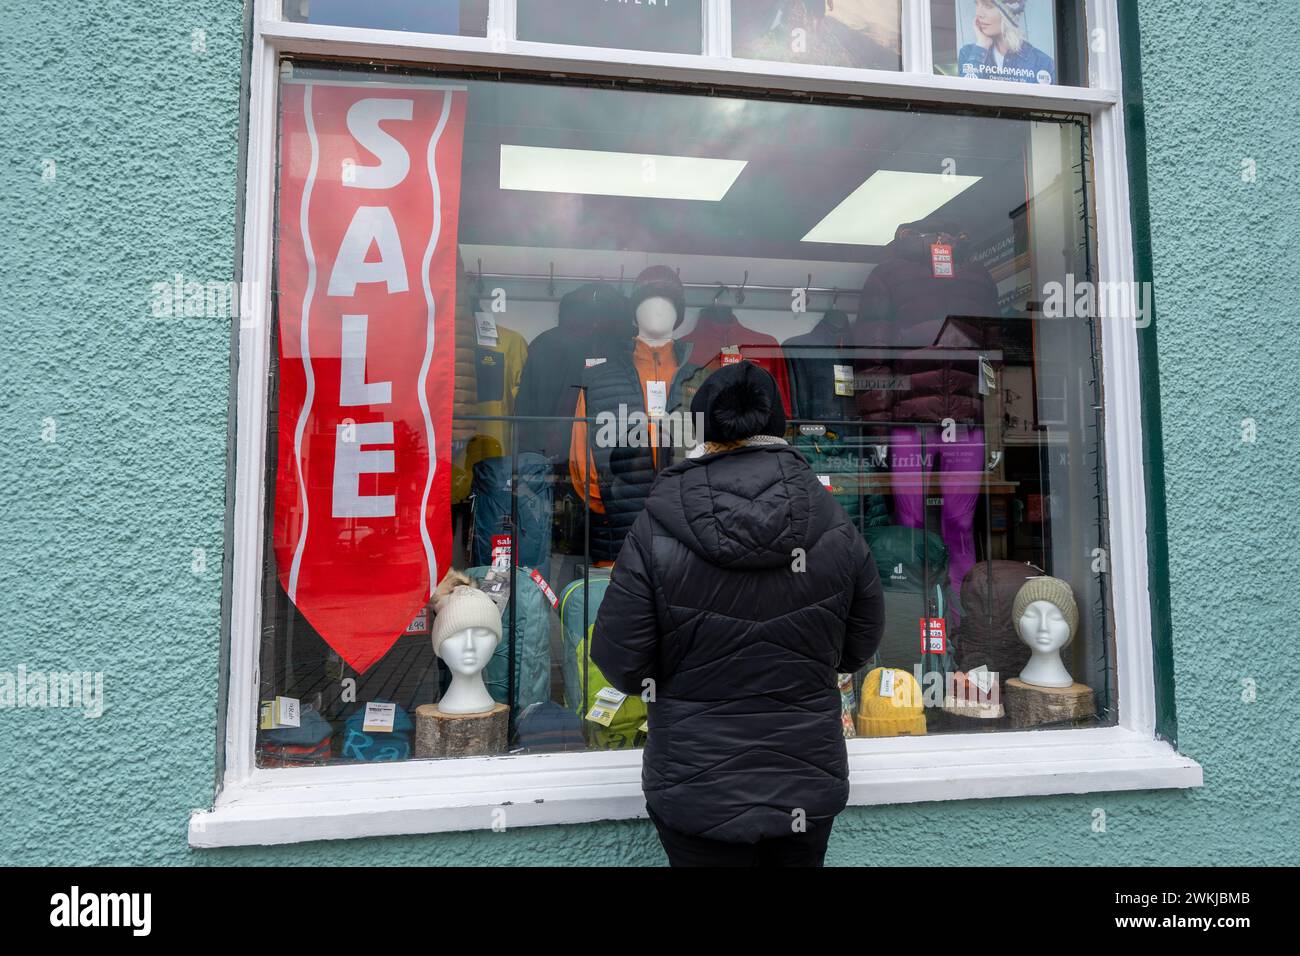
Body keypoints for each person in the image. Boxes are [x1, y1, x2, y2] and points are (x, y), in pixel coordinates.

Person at [590, 361, 886, 867]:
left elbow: (621, 661)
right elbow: (858, 647)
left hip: (696, 788)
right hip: (803, 789)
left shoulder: (656, 526)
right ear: (781, 427)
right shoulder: (833, 523)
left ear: (702, 429)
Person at [958, 0, 1056, 85]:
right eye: (977, 3)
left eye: (988, 6)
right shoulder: (968, 54)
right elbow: (967, 95)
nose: (979, 14)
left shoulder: (1043, 63)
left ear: (1009, 13)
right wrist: (982, 45)